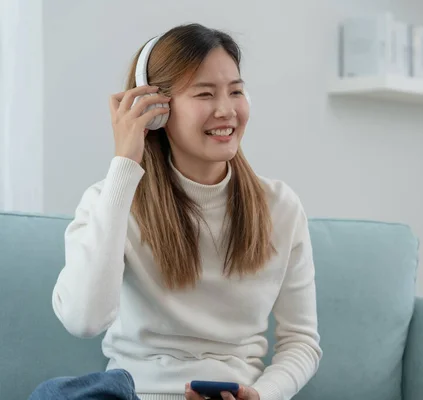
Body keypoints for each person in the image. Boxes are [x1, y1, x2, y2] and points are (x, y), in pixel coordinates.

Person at [29, 23, 322, 400]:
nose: (226, 109)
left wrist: (261, 395)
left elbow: (302, 342)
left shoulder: (280, 206)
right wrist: (124, 163)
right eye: (204, 93)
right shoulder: (110, 201)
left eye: (236, 91)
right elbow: (84, 320)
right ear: (156, 111)